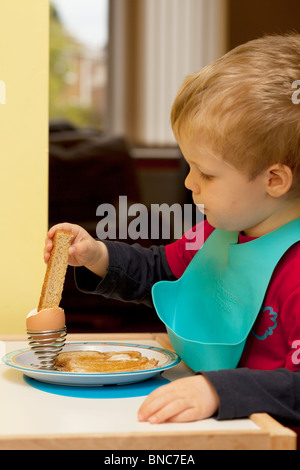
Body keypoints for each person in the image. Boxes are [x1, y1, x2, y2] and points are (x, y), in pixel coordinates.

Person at [44, 33, 300, 428]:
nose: (189, 184)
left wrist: (217, 390)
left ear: (274, 179)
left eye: (207, 173)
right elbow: (160, 272)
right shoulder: (216, 232)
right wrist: (98, 256)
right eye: (189, 166)